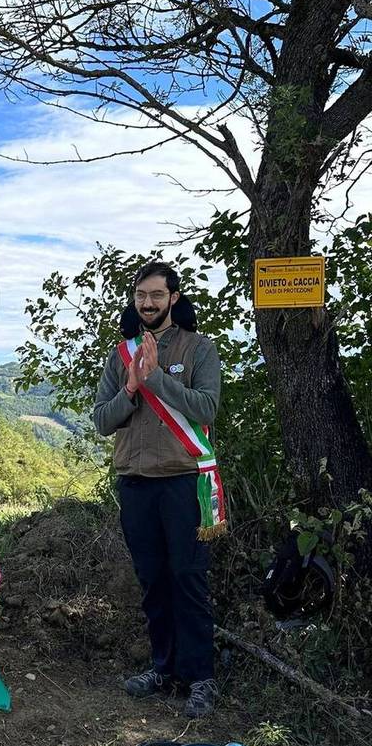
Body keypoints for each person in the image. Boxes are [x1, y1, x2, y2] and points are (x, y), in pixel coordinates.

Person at [93, 261, 224, 719]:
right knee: (152, 581)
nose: (147, 303)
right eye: (140, 295)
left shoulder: (199, 348)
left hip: (183, 483)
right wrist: (130, 386)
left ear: (174, 297)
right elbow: (101, 421)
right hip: (135, 483)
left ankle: (200, 677)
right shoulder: (120, 354)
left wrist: (156, 379)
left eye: (156, 295)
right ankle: (164, 668)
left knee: (188, 579)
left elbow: (208, 405)